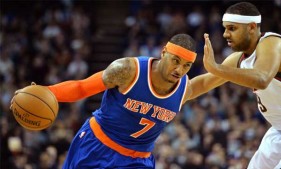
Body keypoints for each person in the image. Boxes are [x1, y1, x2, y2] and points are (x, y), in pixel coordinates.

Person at [11, 34, 233, 168]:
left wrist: (245, 60)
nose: (179, 70)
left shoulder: (185, 88)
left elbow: (215, 77)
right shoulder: (128, 70)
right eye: (176, 61)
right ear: (164, 52)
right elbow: (82, 87)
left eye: (186, 66)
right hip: (96, 146)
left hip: (138, 161)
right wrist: (45, 92)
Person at [203, 2, 281, 169]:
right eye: (225, 28)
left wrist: (217, 68)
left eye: (232, 28)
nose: (226, 34)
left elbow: (261, 79)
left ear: (252, 27)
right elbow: (203, 83)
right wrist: (170, 93)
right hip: (280, 131)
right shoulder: (239, 59)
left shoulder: (272, 43)